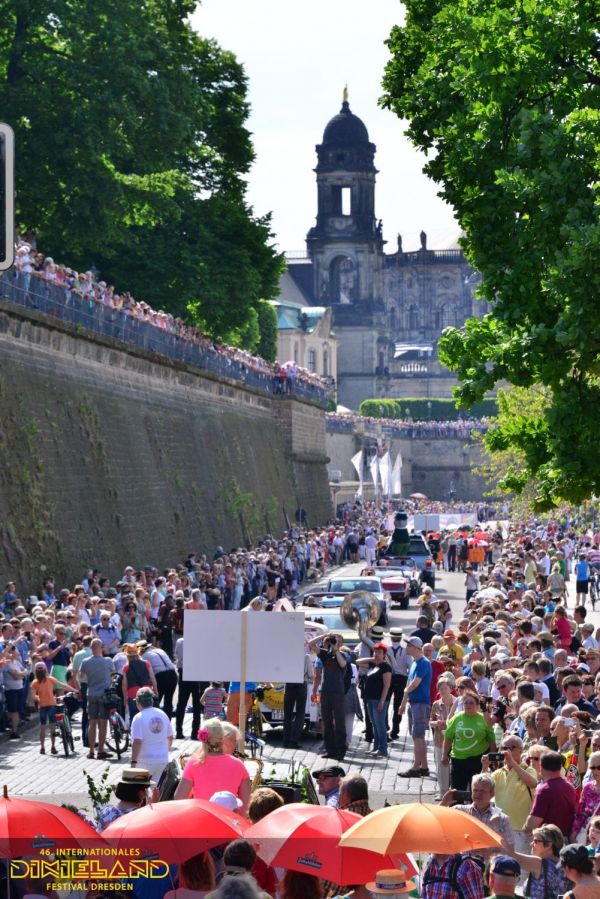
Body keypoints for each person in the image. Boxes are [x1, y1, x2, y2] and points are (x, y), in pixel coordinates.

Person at [174, 717, 250, 812]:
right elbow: (246, 802)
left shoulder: (194, 762)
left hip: (202, 818)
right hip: (229, 820)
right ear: (223, 738)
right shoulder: (238, 764)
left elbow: (179, 797)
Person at [483, 735, 538, 853]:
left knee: (520, 868)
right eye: (503, 747)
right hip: (500, 828)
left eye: (511, 747)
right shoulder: (498, 773)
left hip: (520, 829)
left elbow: (533, 783)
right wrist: (485, 767)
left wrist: (512, 763)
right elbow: (481, 788)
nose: (506, 751)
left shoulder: (529, 770)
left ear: (521, 750)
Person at [442, 773, 514, 850]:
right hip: (463, 859)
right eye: (475, 790)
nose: (478, 794)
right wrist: (444, 803)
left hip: (489, 861)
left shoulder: (502, 819)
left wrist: (497, 828)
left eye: (483, 791)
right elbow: (436, 821)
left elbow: (510, 851)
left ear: (492, 794)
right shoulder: (460, 811)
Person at [442, 691, 497, 790]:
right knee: (457, 791)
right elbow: (448, 737)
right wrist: (444, 755)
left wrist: (493, 757)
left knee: (476, 790)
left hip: (478, 760)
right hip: (458, 759)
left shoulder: (484, 719)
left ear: (477, 705)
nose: (468, 705)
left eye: (471, 703)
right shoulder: (456, 719)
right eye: (465, 702)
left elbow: (491, 739)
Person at [309, 631, 349, 760]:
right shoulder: (324, 655)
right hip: (325, 692)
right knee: (326, 722)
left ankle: (340, 750)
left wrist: (336, 649)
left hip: (338, 692)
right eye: (328, 642)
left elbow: (343, 664)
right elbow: (310, 643)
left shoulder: (342, 654)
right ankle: (330, 749)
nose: (329, 644)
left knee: (339, 722)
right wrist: (324, 635)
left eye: (331, 642)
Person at [398, 636, 432, 777]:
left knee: (418, 736)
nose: (407, 647)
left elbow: (414, 684)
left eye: (409, 645)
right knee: (417, 736)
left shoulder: (423, 663)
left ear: (417, 648)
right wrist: (403, 703)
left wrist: (406, 692)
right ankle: (423, 767)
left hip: (420, 703)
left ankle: (416, 767)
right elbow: (408, 684)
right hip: (414, 703)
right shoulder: (414, 663)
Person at [525, 750, 578, 837]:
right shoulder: (570, 787)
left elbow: (534, 821)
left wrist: (526, 828)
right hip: (566, 838)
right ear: (560, 767)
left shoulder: (544, 789)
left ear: (541, 767)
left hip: (549, 840)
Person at [79, 637, 115, 760]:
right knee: (103, 723)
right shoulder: (108, 661)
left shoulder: (85, 662)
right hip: (104, 695)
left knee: (92, 722)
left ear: (91, 648)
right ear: (102, 648)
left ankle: (91, 751)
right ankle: (100, 750)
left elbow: (82, 676)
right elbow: (113, 674)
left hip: (91, 693)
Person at [356, 642, 392, 757]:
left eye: (379, 652)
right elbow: (357, 662)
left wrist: (382, 701)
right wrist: (373, 658)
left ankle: (383, 748)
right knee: (374, 724)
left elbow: (387, 685)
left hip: (378, 700)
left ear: (384, 654)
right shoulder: (374, 665)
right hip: (370, 699)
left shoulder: (386, 667)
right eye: (375, 652)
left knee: (380, 724)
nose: (376, 654)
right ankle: (376, 747)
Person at [130, 686, 173, 782]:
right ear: (152, 701)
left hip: (145, 761)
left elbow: (137, 742)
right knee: (155, 791)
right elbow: (170, 737)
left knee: (141, 791)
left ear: (138, 702)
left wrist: (133, 762)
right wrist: (165, 752)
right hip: (162, 760)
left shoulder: (138, 717)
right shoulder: (162, 714)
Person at [519, 824, 571, 899]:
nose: (531, 844)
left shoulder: (542, 864)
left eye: (535, 841)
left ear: (549, 844)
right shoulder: (565, 866)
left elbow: (513, 856)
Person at [96, 767, 155, 831]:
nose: (146, 794)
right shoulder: (139, 818)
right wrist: (153, 809)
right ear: (141, 793)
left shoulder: (106, 811)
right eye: (145, 789)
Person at [30, 661, 71, 755]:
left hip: (42, 706)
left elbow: (33, 696)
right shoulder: (50, 679)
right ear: (45, 670)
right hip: (52, 704)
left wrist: (40, 699)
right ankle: (53, 746)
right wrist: (75, 690)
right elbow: (63, 685)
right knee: (52, 726)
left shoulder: (35, 682)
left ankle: (42, 747)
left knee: (43, 727)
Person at [283, 642, 313, 749]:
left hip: (289, 684)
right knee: (300, 714)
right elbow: (311, 674)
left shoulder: (287, 657)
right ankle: (293, 740)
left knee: (287, 714)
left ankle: (286, 740)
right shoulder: (306, 657)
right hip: (301, 684)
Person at [121, 644, 157, 719]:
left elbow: (124, 684)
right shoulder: (146, 663)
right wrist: (155, 691)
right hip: (147, 692)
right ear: (137, 653)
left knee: (134, 717)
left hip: (133, 694)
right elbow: (152, 678)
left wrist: (125, 698)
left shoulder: (125, 667)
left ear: (127, 655)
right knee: (149, 716)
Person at [386, 627, 409, 740]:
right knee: (398, 705)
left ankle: (385, 726)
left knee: (385, 702)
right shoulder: (405, 651)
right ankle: (395, 730)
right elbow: (409, 665)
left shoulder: (386, 649)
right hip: (401, 679)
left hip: (388, 677)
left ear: (391, 637)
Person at [571, 751, 600, 842]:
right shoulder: (588, 787)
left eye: (599, 767)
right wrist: (574, 834)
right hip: (588, 837)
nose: (595, 771)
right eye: (592, 767)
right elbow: (581, 814)